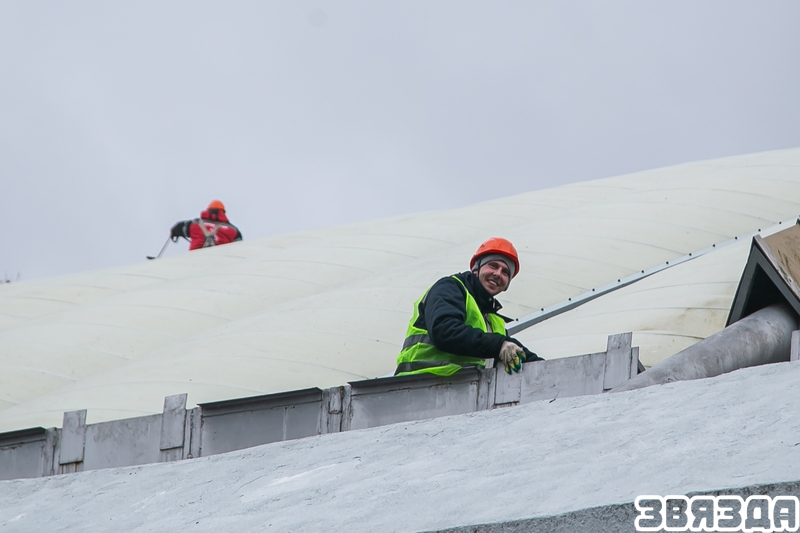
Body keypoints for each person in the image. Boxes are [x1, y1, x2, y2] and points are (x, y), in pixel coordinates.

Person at [395, 237, 543, 377]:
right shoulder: (450, 288)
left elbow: (512, 349)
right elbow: (445, 331)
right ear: (476, 268)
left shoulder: (492, 320)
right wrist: (498, 345)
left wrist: (543, 367)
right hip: (419, 386)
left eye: (505, 272)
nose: (498, 274)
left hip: (464, 391)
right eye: (493, 265)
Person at [170, 200, 243, 250]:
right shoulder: (233, 230)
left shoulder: (194, 224)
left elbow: (177, 229)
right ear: (223, 213)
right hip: (222, 262)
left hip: (194, 259)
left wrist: (174, 233)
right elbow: (239, 247)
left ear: (208, 210)